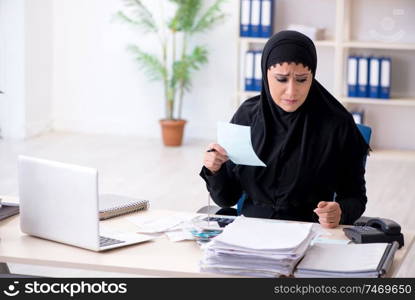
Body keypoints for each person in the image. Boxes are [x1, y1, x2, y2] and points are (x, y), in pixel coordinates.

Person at [200, 30, 370, 228]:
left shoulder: (337, 124)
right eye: (281, 79)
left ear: (312, 76)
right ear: (265, 75)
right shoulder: (247, 116)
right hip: (250, 229)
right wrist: (214, 170)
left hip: (310, 231)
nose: (292, 91)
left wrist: (340, 212)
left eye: (302, 79)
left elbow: (355, 196)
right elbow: (227, 198)